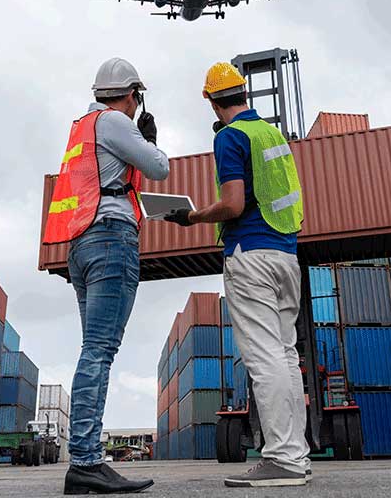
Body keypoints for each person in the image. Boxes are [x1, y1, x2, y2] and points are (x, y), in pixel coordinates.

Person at [165, 62, 311, 488]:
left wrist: (192, 217)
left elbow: (232, 203)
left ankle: (282, 460)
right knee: (285, 356)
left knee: (264, 358)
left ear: (211, 101)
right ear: (243, 93)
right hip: (286, 255)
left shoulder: (230, 137)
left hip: (251, 254)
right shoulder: (272, 135)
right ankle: (297, 456)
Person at [43, 57, 169, 495]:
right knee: (99, 351)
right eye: (137, 99)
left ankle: (85, 460)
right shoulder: (115, 122)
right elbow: (159, 168)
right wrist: (150, 140)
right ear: (132, 95)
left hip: (81, 243)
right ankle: (86, 461)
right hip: (112, 237)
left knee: (92, 349)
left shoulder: (82, 126)